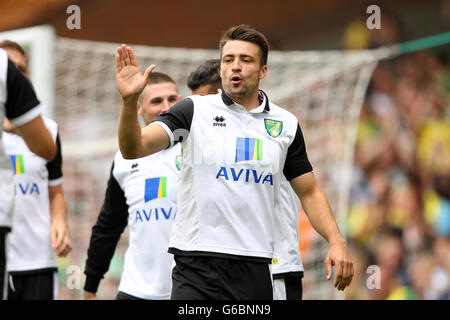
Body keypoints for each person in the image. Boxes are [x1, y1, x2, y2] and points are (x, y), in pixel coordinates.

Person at [115, 24, 353, 299]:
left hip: (255, 266)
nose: (235, 66)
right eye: (228, 60)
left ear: (263, 71)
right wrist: (129, 101)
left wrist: (336, 241)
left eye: (246, 60)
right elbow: (134, 148)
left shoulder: (284, 124)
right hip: (196, 265)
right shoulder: (193, 110)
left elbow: (309, 191)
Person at [83, 72, 182, 300]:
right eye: (156, 101)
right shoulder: (124, 160)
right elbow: (109, 224)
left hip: (188, 290)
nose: (166, 107)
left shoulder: (196, 150)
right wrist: (90, 285)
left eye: (172, 99)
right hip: (135, 290)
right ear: (139, 109)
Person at [1, 40, 72, 300]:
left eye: (22, 69)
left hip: (37, 262)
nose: (15, 74)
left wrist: (60, 221)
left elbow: (56, 190)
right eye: (9, 67)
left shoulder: (49, 131)